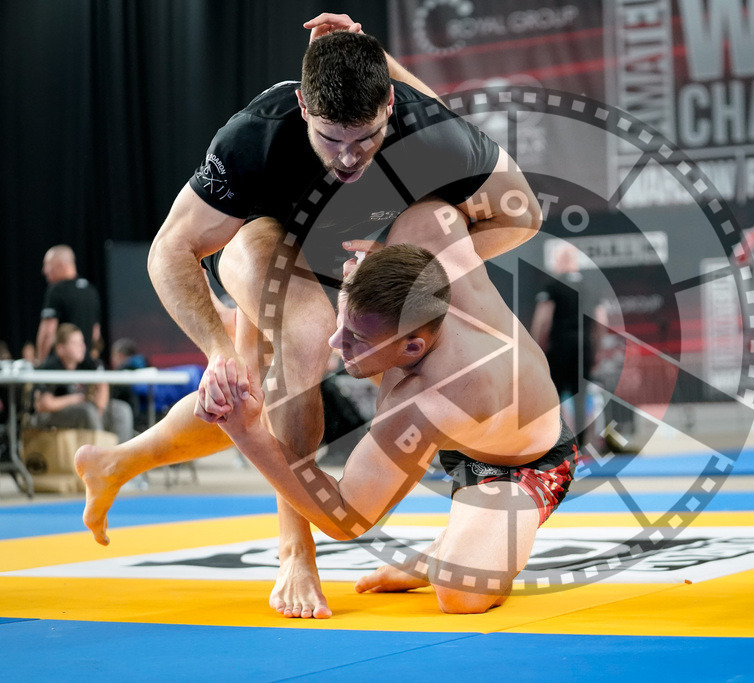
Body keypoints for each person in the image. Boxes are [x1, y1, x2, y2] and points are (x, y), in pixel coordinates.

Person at [76, 14, 541, 619]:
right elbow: (170, 250)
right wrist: (215, 347)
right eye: (329, 139)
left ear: (390, 106)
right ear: (301, 106)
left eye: (365, 139)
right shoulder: (255, 136)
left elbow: (523, 214)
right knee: (299, 339)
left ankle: (116, 460)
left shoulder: (430, 133)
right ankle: (295, 550)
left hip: (356, 264)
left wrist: (429, 264)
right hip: (265, 244)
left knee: (253, 390)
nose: (347, 159)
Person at [209, 199, 574, 613]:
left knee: (460, 594)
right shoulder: (426, 238)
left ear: (413, 346)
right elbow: (483, 209)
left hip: (525, 463)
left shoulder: (435, 399)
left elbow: (345, 518)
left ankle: (443, 554)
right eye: (341, 320)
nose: (335, 342)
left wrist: (247, 432)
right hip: (476, 422)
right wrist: (383, 268)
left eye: (356, 339)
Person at [530, 244, 608, 448]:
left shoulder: (552, 286)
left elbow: (542, 320)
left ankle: (556, 443)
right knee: (581, 396)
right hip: (584, 347)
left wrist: (537, 348)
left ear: (559, 262)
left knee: (553, 396)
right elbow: (601, 322)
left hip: (560, 346)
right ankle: (580, 446)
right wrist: (596, 349)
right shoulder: (590, 287)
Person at [29, 324, 133, 444]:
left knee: (121, 410)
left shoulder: (86, 362)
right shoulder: (50, 367)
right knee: (87, 411)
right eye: (75, 343)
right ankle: (98, 457)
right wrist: (74, 399)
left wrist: (100, 408)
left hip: (84, 410)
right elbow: (44, 405)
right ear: (60, 348)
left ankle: (120, 456)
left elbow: (103, 383)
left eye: (82, 342)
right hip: (49, 416)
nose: (81, 347)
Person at [36, 245, 102, 362]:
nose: (44, 271)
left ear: (61, 265)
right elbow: (95, 334)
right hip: (85, 364)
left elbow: (47, 332)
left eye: (47, 265)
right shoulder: (90, 290)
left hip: (62, 367)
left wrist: (41, 364)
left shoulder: (56, 290)